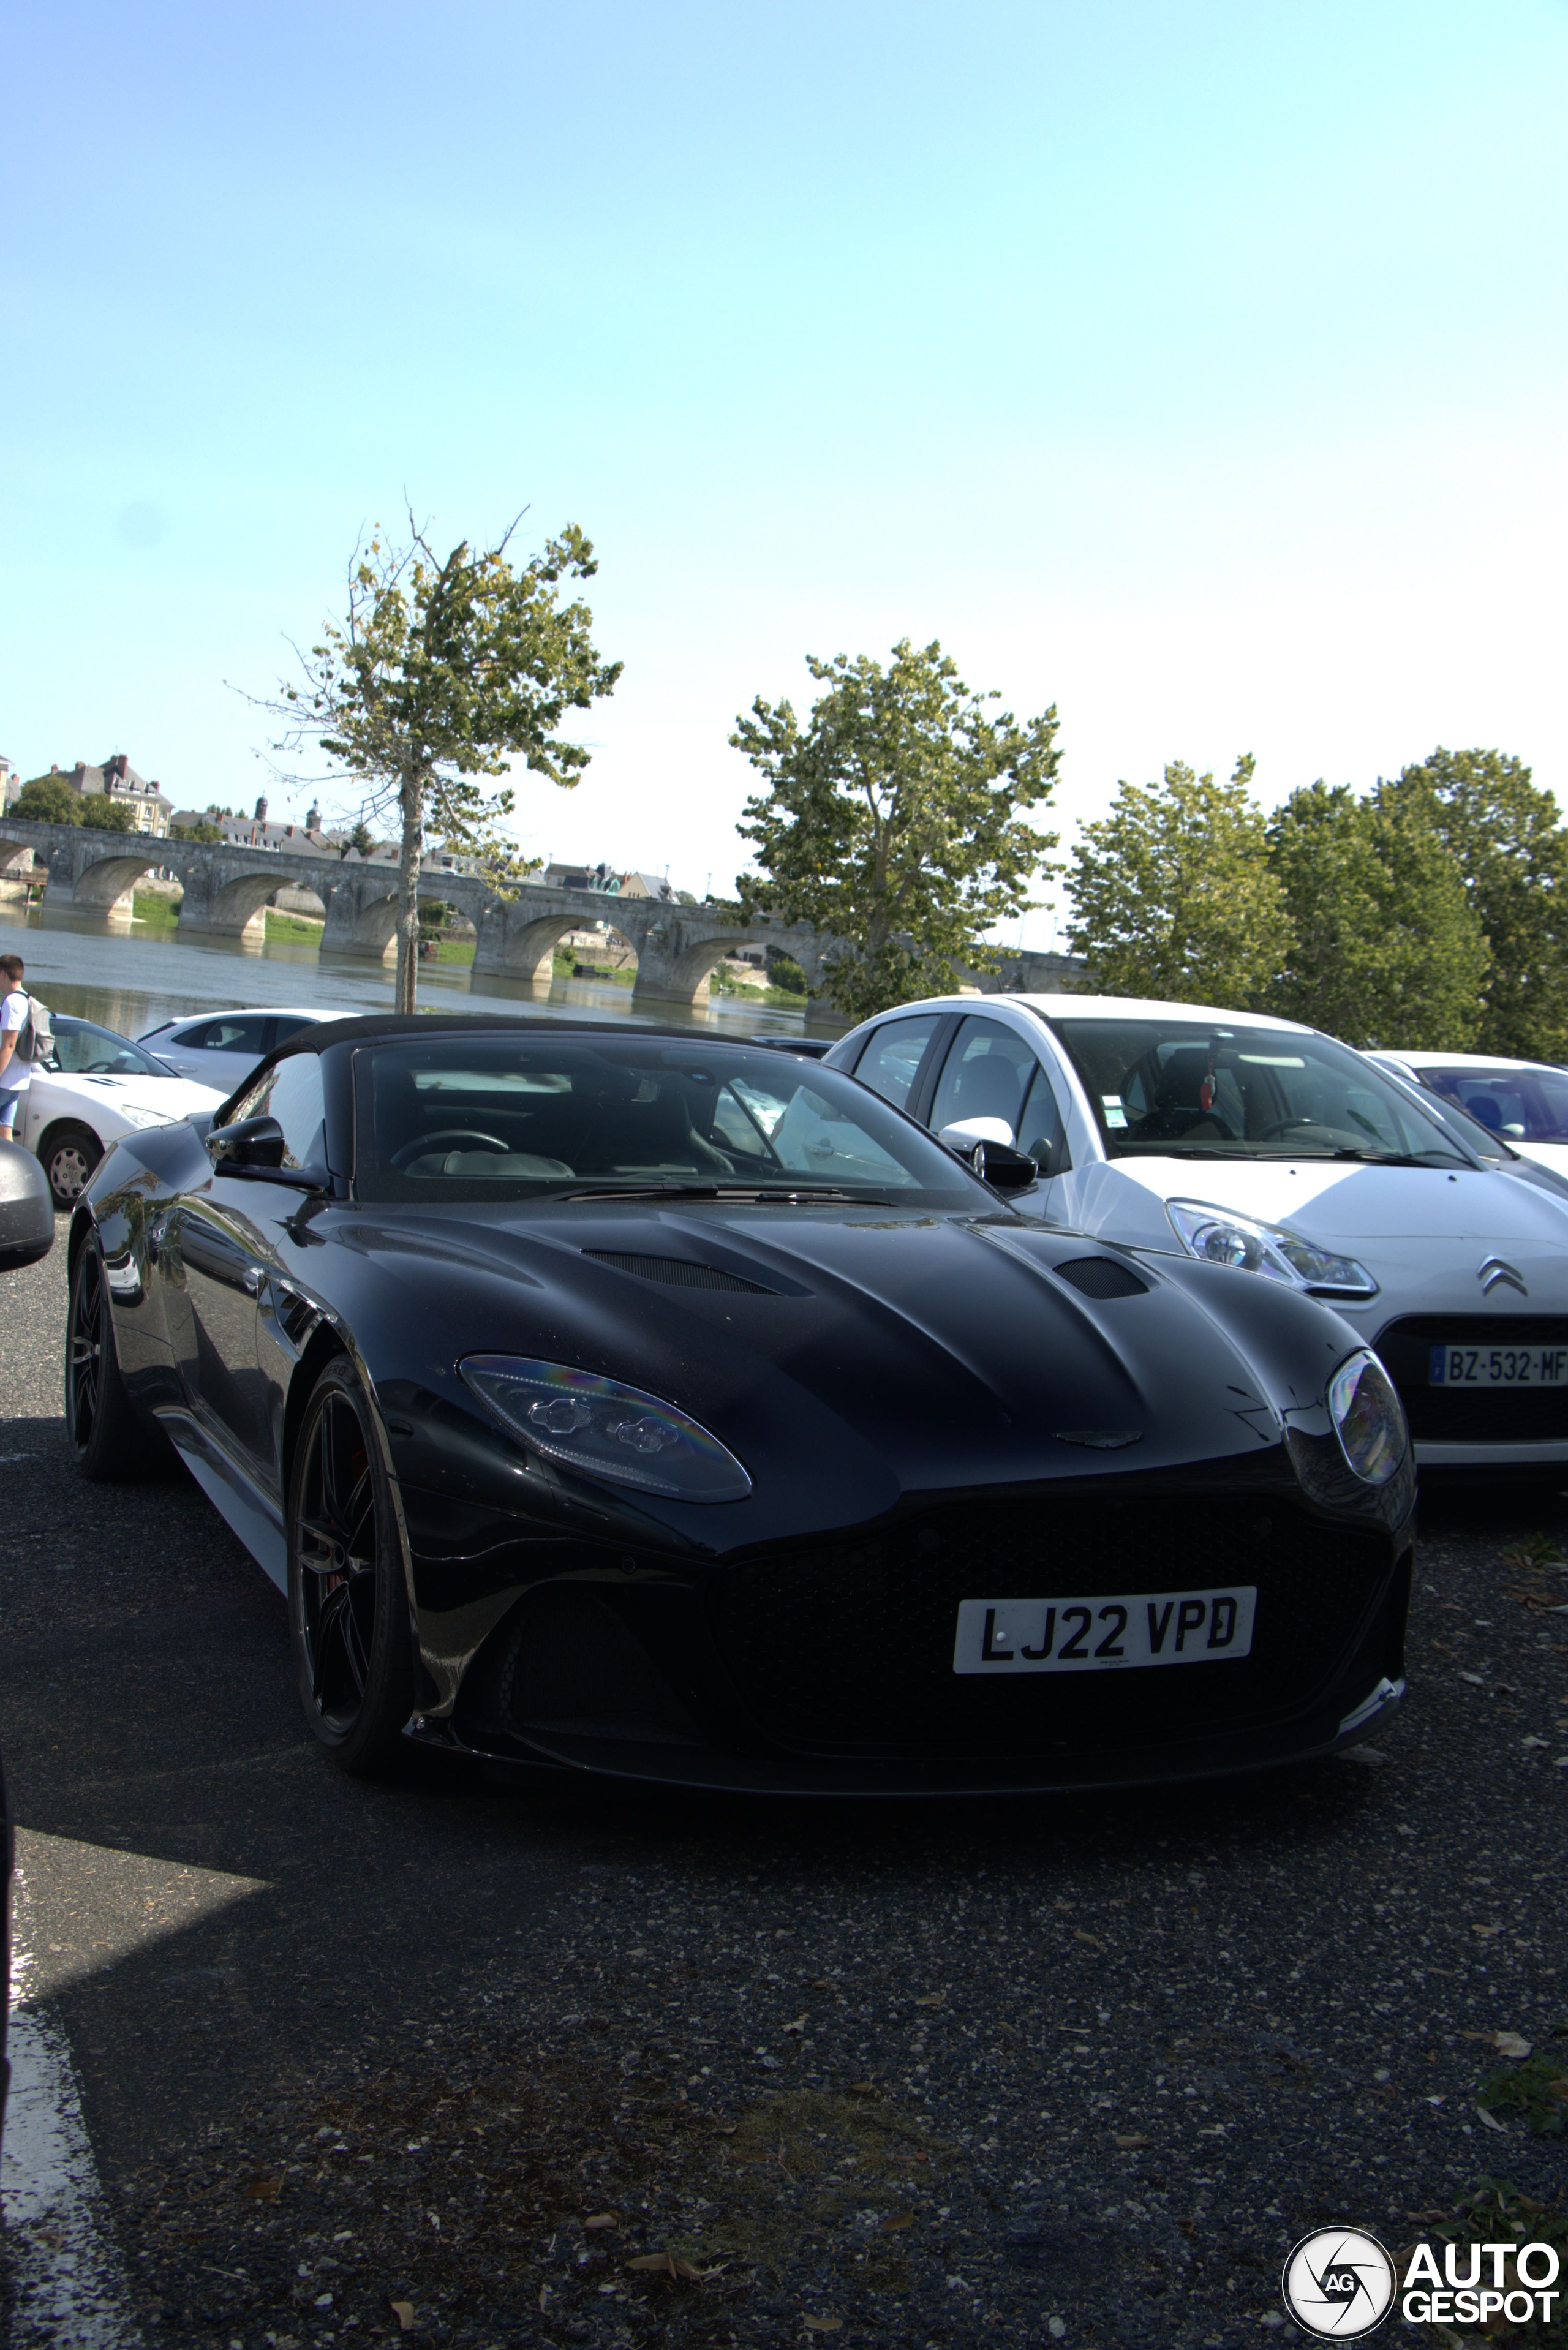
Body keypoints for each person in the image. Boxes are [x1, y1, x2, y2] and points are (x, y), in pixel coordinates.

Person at [0, 954, 29, 1142]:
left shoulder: (12, 1002)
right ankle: (8, 1171)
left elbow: (9, 1045)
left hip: (4, 1078)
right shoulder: (26, 999)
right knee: (5, 1130)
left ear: (3, 974)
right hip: (17, 1078)